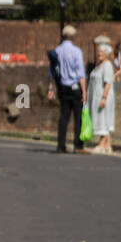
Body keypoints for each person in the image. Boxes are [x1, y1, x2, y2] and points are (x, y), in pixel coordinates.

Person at [52, 24, 88, 153]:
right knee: (78, 117)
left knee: (64, 116)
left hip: (62, 87)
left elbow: (54, 71)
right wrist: (84, 92)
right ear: (73, 36)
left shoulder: (57, 51)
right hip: (75, 87)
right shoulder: (76, 51)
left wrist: (52, 88)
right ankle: (78, 146)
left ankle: (61, 145)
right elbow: (80, 73)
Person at [88, 41, 116, 152]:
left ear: (107, 54)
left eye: (102, 52)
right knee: (103, 119)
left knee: (103, 120)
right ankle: (108, 145)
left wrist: (104, 98)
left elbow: (108, 83)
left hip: (103, 97)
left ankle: (101, 144)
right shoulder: (98, 66)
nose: (99, 53)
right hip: (96, 97)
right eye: (99, 51)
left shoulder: (107, 65)